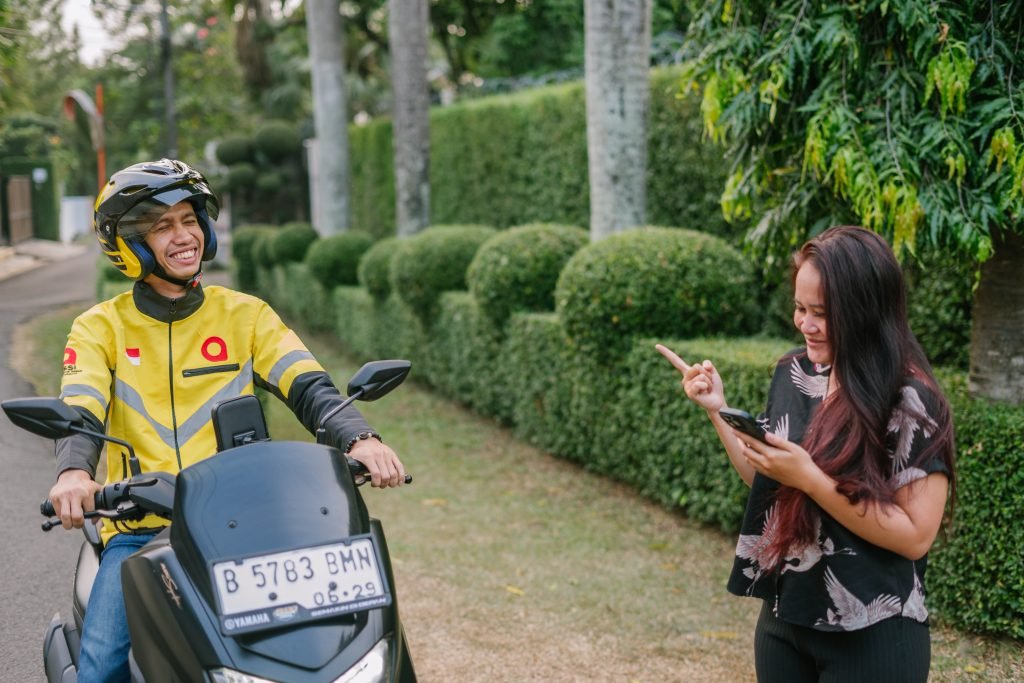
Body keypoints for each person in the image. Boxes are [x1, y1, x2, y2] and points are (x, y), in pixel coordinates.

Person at [49, 159, 407, 682]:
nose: (183, 235)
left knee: (330, 645)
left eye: (189, 220)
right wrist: (74, 473)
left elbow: (310, 387)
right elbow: (79, 412)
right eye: (162, 226)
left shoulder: (246, 315)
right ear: (127, 245)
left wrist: (362, 438)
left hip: (248, 526)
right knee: (100, 669)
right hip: (143, 529)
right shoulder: (98, 328)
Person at [655, 225, 955, 682]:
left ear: (865, 311)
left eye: (822, 313)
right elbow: (766, 477)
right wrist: (718, 410)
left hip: (872, 632)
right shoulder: (796, 371)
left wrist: (811, 478)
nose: (806, 324)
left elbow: (916, 535)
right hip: (785, 616)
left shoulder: (910, 398)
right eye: (800, 308)